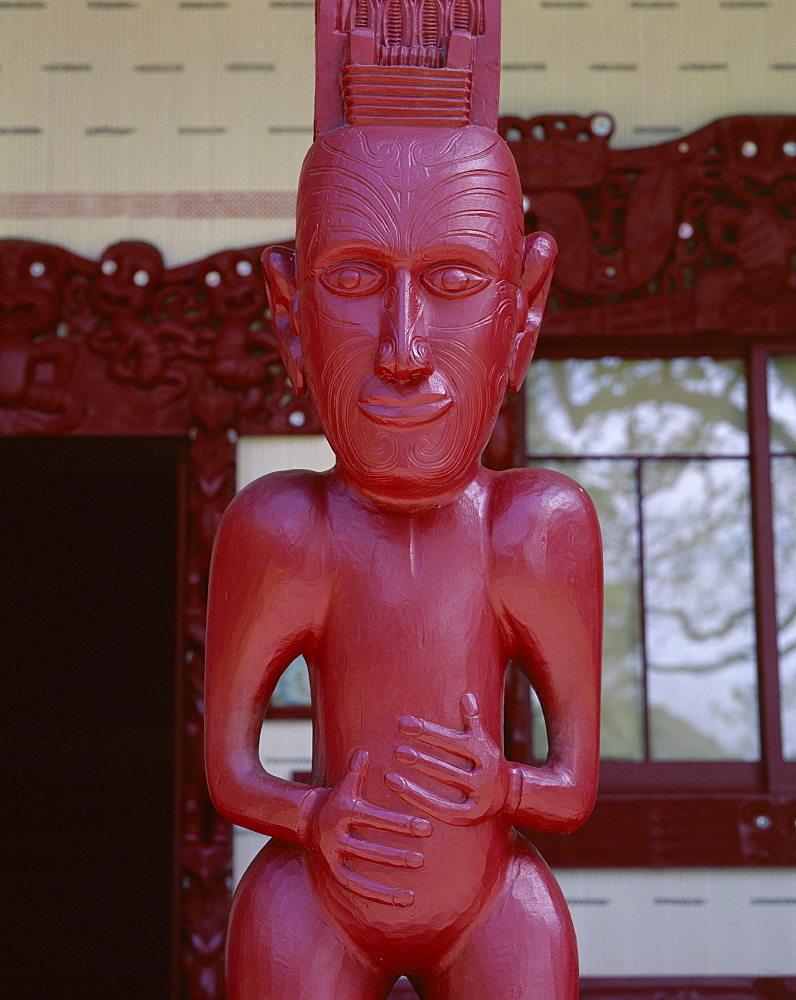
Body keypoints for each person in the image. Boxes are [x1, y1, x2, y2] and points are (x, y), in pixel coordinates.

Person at [205, 5, 602, 998]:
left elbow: (573, 788)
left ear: (525, 309)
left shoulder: (534, 529)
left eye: (455, 278)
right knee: (278, 910)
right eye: (353, 278)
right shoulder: (285, 529)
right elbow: (229, 771)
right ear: (287, 316)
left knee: (525, 926)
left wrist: (503, 786)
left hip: (488, 903)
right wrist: (311, 819)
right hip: (318, 897)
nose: (404, 347)